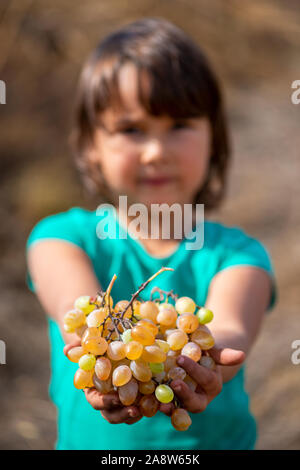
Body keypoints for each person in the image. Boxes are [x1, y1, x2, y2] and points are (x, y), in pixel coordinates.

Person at [25, 17, 277, 450]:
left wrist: (213, 361)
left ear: (213, 139)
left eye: (179, 126)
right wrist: (97, 345)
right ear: (90, 146)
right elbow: (77, 310)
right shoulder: (61, 239)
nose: (156, 151)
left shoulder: (239, 256)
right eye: (131, 130)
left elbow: (230, 329)